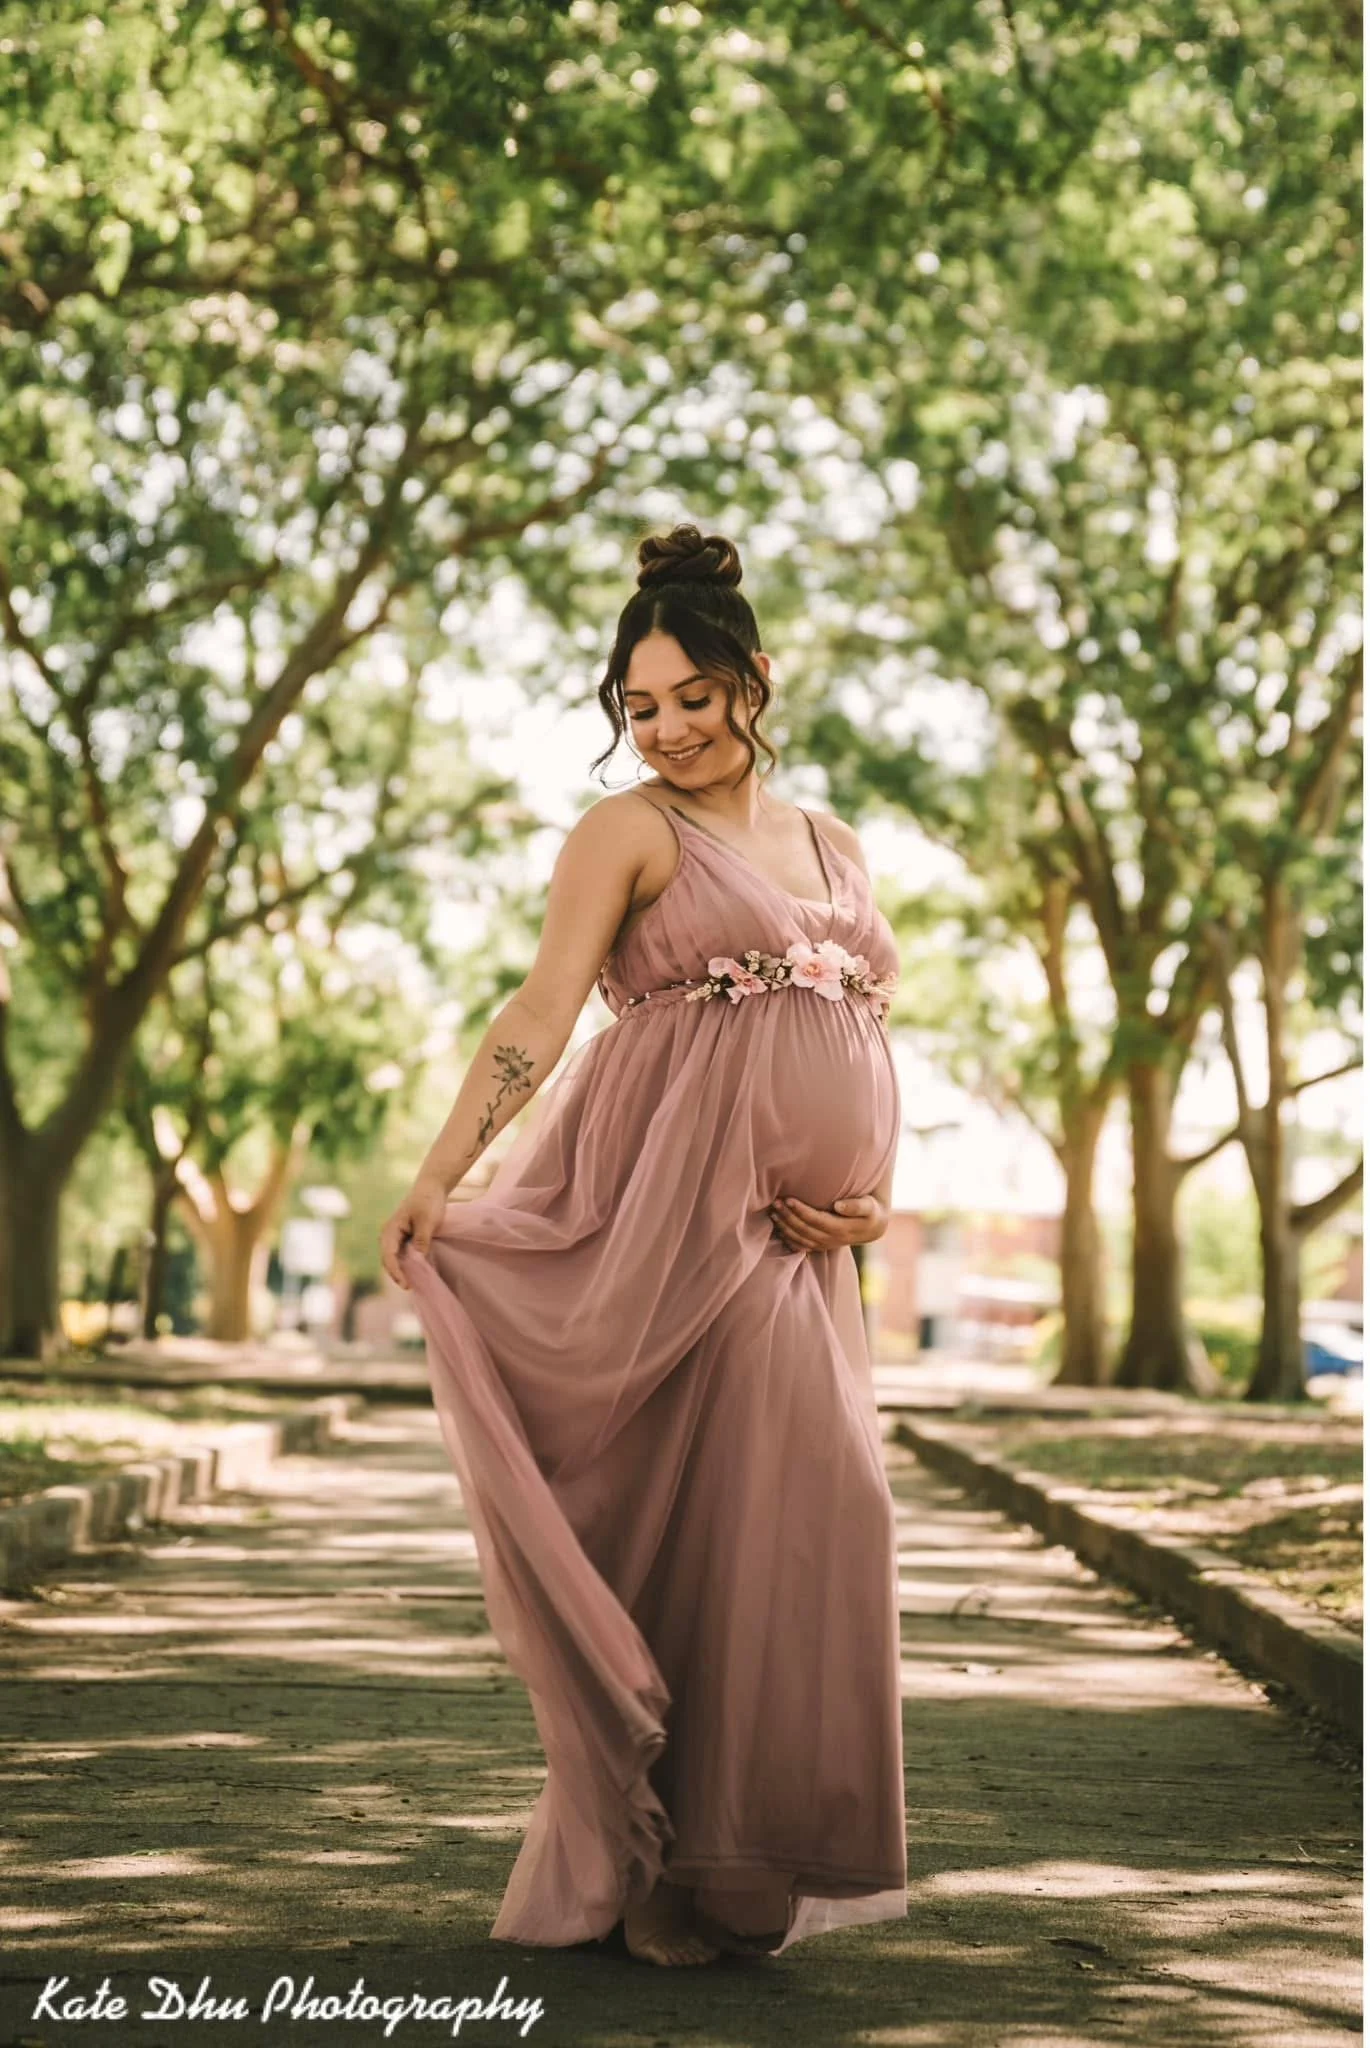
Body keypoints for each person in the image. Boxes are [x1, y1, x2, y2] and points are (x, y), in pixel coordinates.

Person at [380, 523, 907, 1968]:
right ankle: (660, 1871)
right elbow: (540, 1016)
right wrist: (441, 1176)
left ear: (753, 681)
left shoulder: (833, 844)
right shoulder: (625, 832)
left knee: (806, 1520)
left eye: (691, 696)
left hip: (806, 1249)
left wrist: (868, 1199)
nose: (667, 728)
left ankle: (739, 1866)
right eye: (639, 706)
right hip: (666, 1217)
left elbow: (859, 1034)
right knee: (710, 1517)